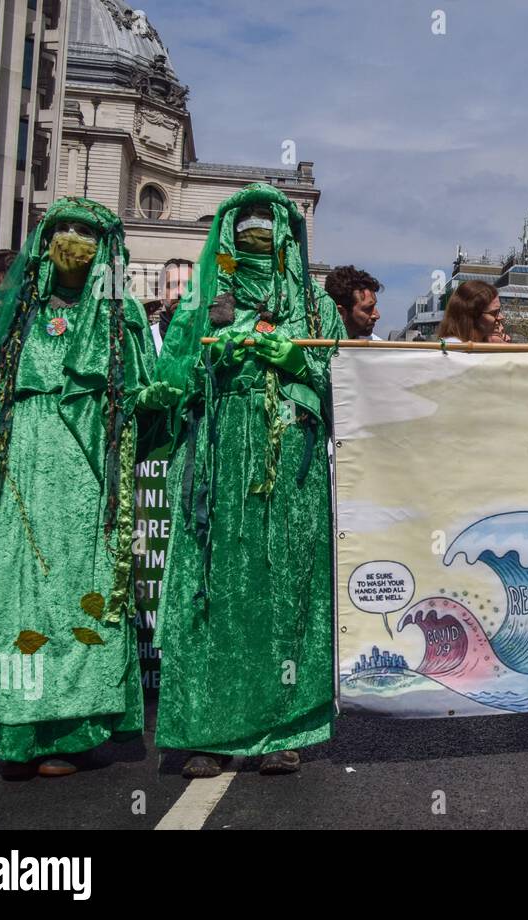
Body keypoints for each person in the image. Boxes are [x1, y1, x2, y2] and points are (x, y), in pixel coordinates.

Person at [0, 198, 171, 778]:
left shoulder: (119, 313)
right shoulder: (17, 311)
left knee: (79, 589)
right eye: (62, 230)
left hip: (87, 472)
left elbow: (143, 400)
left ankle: (72, 732)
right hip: (20, 468)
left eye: (85, 232)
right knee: (20, 592)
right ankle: (19, 729)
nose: (72, 241)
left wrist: (156, 400)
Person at [154, 184, 343, 778]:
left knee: (285, 582)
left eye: (269, 224)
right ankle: (205, 731)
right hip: (218, 455)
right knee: (215, 589)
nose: (258, 233)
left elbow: (347, 383)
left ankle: (282, 728)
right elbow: (170, 381)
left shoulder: (314, 305)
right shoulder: (204, 300)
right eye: (246, 225)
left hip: (291, 463)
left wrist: (298, 362)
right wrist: (212, 364)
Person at [324, 265, 383, 340]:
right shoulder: (313, 347)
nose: (377, 316)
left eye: (374, 306)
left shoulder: (377, 347)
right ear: (340, 313)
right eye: (368, 309)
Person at [147, 258, 194, 351]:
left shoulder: (213, 339)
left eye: (188, 285)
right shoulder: (145, 341)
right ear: (161, 295)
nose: (180, 292)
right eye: (172, 285)